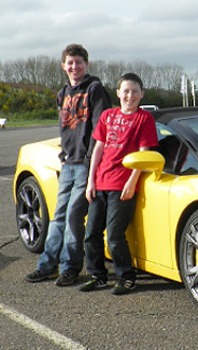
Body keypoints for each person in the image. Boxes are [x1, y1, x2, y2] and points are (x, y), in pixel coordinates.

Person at [25, 44, 112, 286]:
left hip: (86, 164)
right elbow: (65, 127)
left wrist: (90, 160)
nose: (75, 67)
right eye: (70, 63)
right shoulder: (62, 93)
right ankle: (47, 265)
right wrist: (64, 154)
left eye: (79, 62)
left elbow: (100, 129)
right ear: (64, 66)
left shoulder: (95, 90)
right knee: (58, 215)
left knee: (74, 215)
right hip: (68, 163)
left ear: (87, 64)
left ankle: (70, 268)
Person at [79, 72, 158, 294]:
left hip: (121, 186)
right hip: (100, 183)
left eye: (134, 91)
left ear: (141, 94)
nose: (129, 95)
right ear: (118, 93)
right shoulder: (107, 116)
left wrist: (132, 182)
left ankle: (126, 276)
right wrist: (90, 181)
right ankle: (98, 275)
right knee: (91, 233)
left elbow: (144, 154)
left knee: (114, 236)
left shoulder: (144, 119)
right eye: (125, 91)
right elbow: (98, 149)